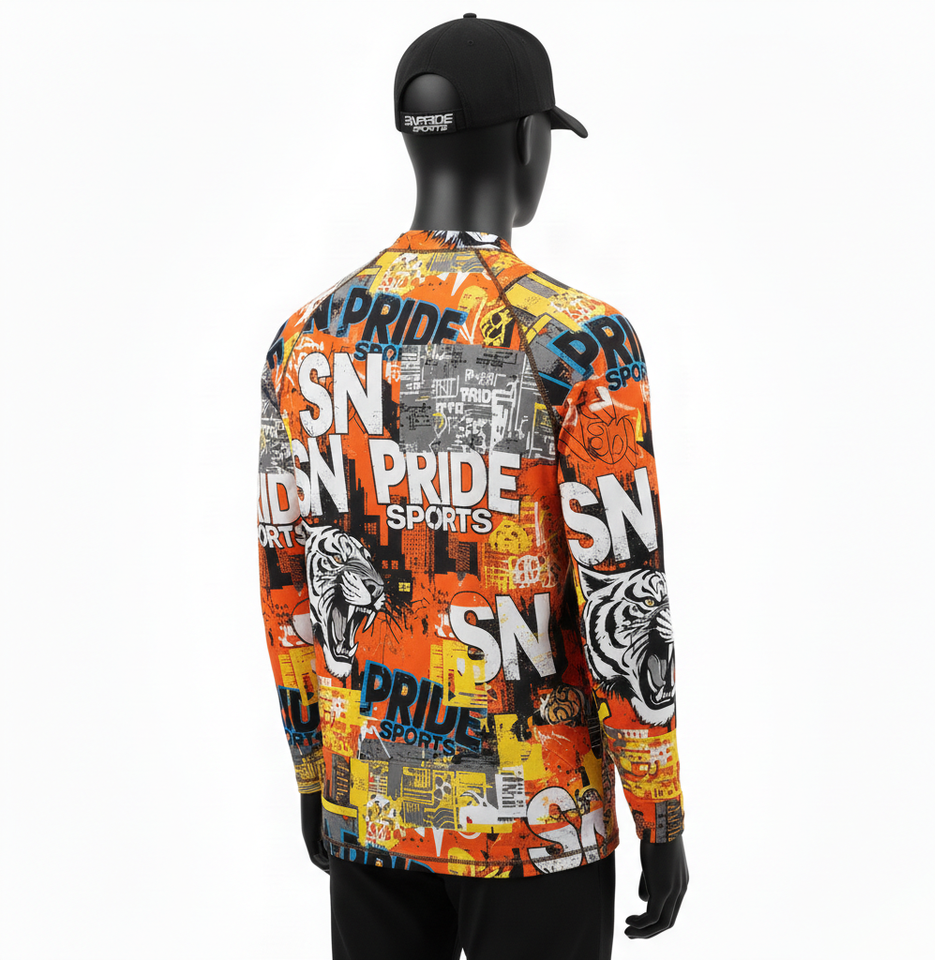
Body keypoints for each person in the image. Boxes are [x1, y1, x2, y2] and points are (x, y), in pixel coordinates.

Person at [257, 14, 688, 959]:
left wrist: (313, 776)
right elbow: (625, 591)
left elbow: (288, 586)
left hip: (371, 808)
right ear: (531, 142)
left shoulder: (306, 340)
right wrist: (658, 810)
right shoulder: (579, 343)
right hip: (540, 827)